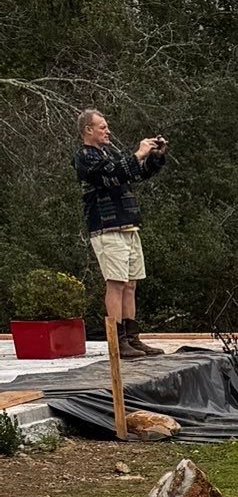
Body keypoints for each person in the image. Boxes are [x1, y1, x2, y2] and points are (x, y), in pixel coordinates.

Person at [74, 109, 168, 360]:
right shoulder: (84, 156)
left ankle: (132, 337)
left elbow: (135, 173)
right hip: (107, 227)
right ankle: (117, 341)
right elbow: (113, 173)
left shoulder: (110, 154)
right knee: (115, 283)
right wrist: (137, 154)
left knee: (130, 283)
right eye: (102, 127)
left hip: (127, 224)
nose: (107, 131)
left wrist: (154, 157)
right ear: (88, 130)